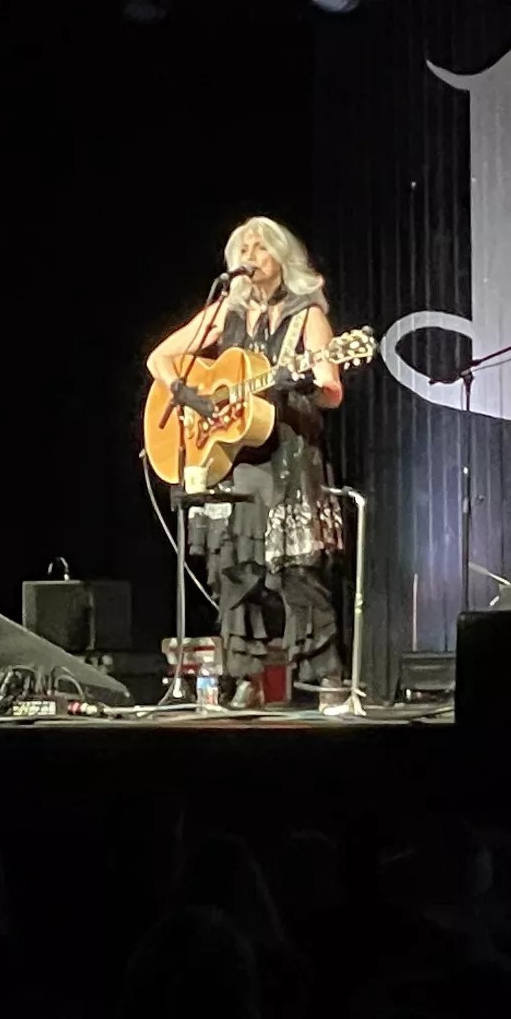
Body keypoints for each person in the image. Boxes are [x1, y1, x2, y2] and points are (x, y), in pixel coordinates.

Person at [147, 217, 349, 711]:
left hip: (289, 455)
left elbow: (332, 390)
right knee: (235, 570)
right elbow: (159, 358)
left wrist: (306, 383)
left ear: (282, 258)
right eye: (244, 250)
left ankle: (326, 678)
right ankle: (246, 678)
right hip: (236, 459)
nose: (251, 258)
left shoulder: (306, 315)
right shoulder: (225, 311)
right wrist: (187, 395)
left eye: (261, 249)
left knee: (297, 572)